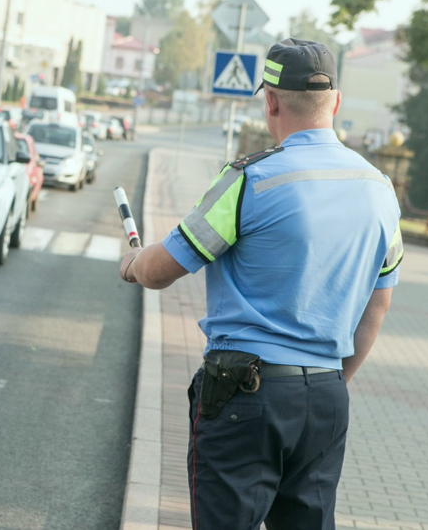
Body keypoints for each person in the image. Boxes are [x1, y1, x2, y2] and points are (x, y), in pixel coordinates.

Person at [119, 38, 403, 530]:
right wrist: (329, 381)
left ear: (270, 101)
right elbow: (378, 307)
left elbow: (160, 270)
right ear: (335, 103)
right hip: (327, 397)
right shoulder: (380, 191)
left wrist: (132, 263)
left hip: (245, 395)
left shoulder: (250, 180)